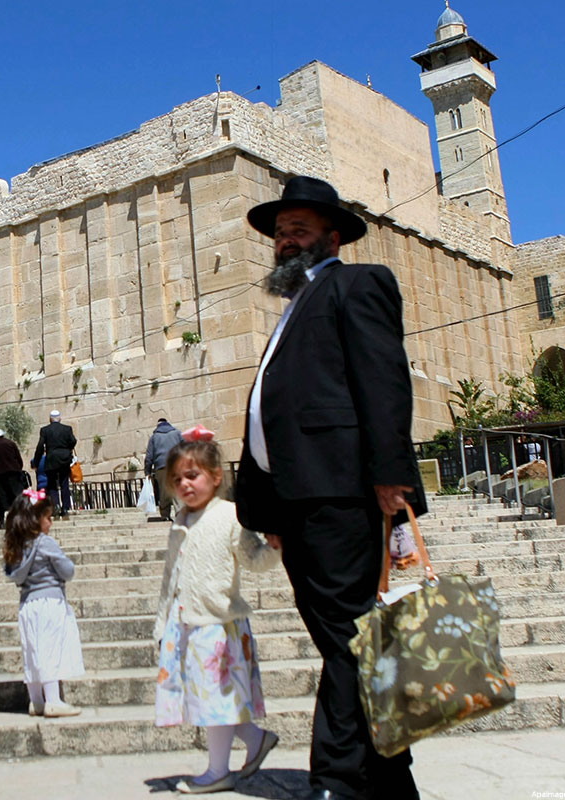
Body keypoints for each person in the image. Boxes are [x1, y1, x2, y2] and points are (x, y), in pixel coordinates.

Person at [234, 176, 426, 800]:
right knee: (344, 640)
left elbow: (384, 379)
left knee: (348, 639)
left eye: (299, 231)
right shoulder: (292, 309)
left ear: (332, 236)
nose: (286, 242)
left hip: (341, 491)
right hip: (295, 503)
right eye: (280, 233)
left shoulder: (356, 283)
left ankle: (338, 781)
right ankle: (391, 779)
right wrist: (266, 510)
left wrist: (391, 476)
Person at [154, 427, 281, 794]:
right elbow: (171, 575)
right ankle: (255, 741)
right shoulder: (180, 520)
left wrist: (276, 545)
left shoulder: (230, 516)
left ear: (215, 476)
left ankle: (217, 770)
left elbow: (253, 559)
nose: (185, 485)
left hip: (218, 625)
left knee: (214, 699)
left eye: (192, 476)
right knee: (208, 698)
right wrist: (163, 620)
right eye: (177, 479)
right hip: (187, 623)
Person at [2, 488, 85, 717]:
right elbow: (67, 571)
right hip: (50, 602)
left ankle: (36, 701)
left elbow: (12, 574)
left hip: (28, 605)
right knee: (50, 650)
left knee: (32, 651)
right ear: (35, 520)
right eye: (48, 517)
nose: (51, 522)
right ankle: (53, 701)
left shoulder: (16, 547)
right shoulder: (46, 543)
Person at [31, 409, 76, 517]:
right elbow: (73, 441)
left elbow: (41, 446)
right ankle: (65, 507)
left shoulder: (45, 430)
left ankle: (56, 505)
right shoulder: (67, 429)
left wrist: (36, 461)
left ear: (50, 419)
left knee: (51, 484)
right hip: (64, 460)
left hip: (51, 460)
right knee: (64, 482)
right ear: (59, 418)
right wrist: (66, 450)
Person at [145, 418, 184, 520]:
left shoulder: (154, 437)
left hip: (161, 467)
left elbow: (149, 456)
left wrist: (147, 472)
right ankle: (180, 513)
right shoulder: (177, 433)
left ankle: (165, 515)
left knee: (164, 492)